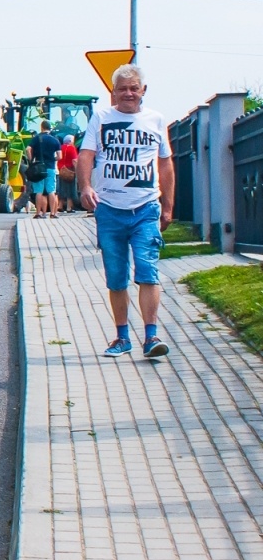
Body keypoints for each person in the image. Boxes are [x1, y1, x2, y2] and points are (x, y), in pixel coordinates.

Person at [77, 64, 176, 359]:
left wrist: (168, 206)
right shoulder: (102, 118)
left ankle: (151, 336)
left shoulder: (156, 120)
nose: (129, 94)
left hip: (145, 208)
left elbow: (166, 164)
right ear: (114, 92)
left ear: (143, 90)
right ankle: (121, 337)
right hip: (109, 209)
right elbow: (86, 155)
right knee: (116, 276)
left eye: (134, 88)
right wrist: (84, 187)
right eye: (122, 89)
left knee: (148, 271)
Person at [28, 120, 62, 218]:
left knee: (39, 190)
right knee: (51, 190)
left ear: (41, 127)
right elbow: (60, 156)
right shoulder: (55, 140)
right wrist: (52, 159)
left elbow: (28, 149)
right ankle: (52, 213)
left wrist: (31, 161)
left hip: (38, 167)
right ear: (50, 128)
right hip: (50, 168)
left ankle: (38, 213)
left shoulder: (36, 138)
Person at [57, 134, 79, 213]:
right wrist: (77, 170)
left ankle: (60, 205)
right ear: (70, 141)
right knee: (70, 188)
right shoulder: (71, 148)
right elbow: (74, 161)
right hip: (70, 170)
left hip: (61, 170)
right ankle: (69, 207)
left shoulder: (61, 147)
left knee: (62, 188)